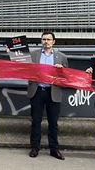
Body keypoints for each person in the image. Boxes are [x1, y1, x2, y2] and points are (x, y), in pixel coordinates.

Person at [27, 31, 68, 160]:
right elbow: (22, 68)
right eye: (44, 39)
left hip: (53, 92)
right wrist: (10, 52)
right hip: (37, 90)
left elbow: (67, 76)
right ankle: (35, 148)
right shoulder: (33, 55)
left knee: (53, 122)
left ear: (53, 42)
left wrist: (62, 69)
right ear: (41, 41)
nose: (46, 41)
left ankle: (54, 149)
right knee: (36, 121)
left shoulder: (61, 56)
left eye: (49, 39)